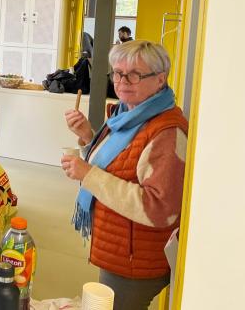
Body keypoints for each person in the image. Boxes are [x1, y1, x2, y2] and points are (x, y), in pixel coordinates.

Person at [61, 40, 188, 310]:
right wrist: (87, 136)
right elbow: (118, 164)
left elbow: (159, 208)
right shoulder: (126, 114)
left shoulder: (166, 131)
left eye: (134, 74)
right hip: (119, 245)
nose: (121, 82)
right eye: (117, 73)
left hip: (136, 259)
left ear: (160, 79)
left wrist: (89, 175)